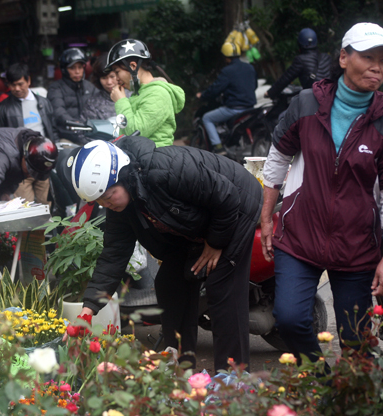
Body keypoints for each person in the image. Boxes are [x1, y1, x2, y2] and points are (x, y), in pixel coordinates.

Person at [260, 22, 383, 365]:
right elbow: (278, 156)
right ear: (343, 57)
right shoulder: (307, 104)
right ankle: (322, 377)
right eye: (368, 57)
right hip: (299, 235)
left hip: (356, 246)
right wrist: (267, 214)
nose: (377, 67)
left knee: (355, 338)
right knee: (291, 319)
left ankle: (349, 397)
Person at [70, 137, 263, 371]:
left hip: (236, 208)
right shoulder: (121, 206)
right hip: (195, 228)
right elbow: (114, 255)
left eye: (108, 196)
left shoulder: (164, 169)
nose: (105, 203)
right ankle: (180, 365)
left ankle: (233, 380)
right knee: (169, 283)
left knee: (222, 288)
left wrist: (215, 241)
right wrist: (89, 307)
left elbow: (227, 196)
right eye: (99, 200)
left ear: (124, 176)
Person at [0, 63, 57, 205]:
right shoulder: (2, 108)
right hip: (19, 167)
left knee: (46, 207)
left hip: (42, 163)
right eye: (12, 85)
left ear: (28, 81)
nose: (17, 89)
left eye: (20, 84)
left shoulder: (44, 103)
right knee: (24, 210)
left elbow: (52, 130)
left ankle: (46, 228)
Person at [107, 39, 185, 148]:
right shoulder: (139, 93)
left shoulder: (158, 93)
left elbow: (135, 132)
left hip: (155, 160)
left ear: (133, 66)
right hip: (142, 158)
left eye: (117, 72)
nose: (116, 79)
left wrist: (121, 101)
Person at [196, 42, 257, 154]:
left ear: (225, 57)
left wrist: (203, 95)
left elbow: (215, 89)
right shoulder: (250, 68)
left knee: (207, 118)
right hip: (250, 107)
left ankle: (218, 147)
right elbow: (255, 86)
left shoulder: (227, 71)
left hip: (234, 109)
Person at [265, 28, 331, 100]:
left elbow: (285, 79)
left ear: (299, 44)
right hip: (330, 98)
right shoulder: (327, 57)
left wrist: (270, 93)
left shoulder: (300, 60)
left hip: (314, 100)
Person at [47, 48, 96, 144]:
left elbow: (99, 107)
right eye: (72, 68)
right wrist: (76, 123)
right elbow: (58, 111)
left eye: (80, 67)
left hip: (90, 135)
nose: (77, 71)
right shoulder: (56, 88)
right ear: (64, 70)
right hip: (67, 137)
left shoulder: (90, 87)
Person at [81, 53, 122, 121]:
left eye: (112, 76)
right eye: (104, 78)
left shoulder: (133, 97)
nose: (109, 82)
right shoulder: (92, 104)